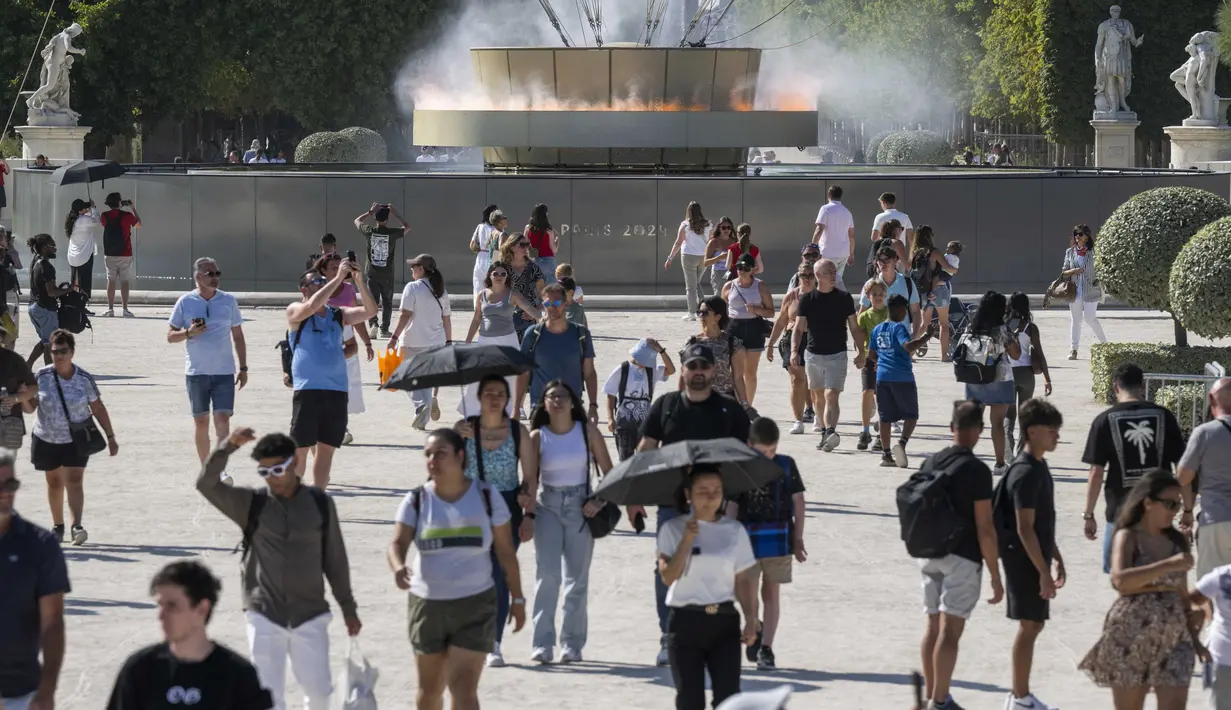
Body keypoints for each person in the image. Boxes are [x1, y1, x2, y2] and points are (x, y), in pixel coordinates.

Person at [196, 427, 360, 710]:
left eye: (278, 469)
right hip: (264, 615)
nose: (272, 479)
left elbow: (335, 559)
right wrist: (228, 446)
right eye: (264, 473)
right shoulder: (252, 504)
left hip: (310, 616)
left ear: (295, 462)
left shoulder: (320, 503)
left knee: (320, 694)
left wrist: (348, 607)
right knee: (268, 698)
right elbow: (206, 484)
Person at [633, 343, 753, 666]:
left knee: (717, 568)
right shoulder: (667, 406)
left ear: (714, 371)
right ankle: (668, 635)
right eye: (692, 366)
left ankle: (713, 635)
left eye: (704, 366)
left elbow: (745, 457)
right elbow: (645, 450)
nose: (698, 372)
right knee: (667, 570)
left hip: (718, 507)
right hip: (672, 505)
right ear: (683, 371)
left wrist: (734, 506)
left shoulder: (729, 410)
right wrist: (634, 497)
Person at [387, 428, 525, 709]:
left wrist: (518, 598)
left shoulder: (486, 497)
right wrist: (398, 566)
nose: (433, 460)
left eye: (440, 453)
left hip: (474, 604)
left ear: (460, 456)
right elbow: (397, 543)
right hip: (427, 605)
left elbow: (506, 552)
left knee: (463, 688)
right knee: (430, 691)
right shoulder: (417, 500)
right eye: (428, 454)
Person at [1079, 470, 1202, 710]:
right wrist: (1168, 566)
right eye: (1169, 504)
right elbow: (1121, 582)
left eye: (1178, 504)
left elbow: (1181, 593)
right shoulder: (1127, 536)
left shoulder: (1178, 541)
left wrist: (1196, 638)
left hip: (1174, 635)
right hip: (1131, 632)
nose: (1175, 510)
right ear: (1147, 502)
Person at [917, 401, 1004, 710]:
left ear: (951, 427)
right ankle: (940, 701)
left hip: (929, 553)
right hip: (963, 557)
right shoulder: (977, 471)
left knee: (932, 626)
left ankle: (932, 696)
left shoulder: (930, 463)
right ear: (979, 431)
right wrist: (995, 574)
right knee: (951, 632)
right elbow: (985, 526)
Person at [105, 561, 274, 710]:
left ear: (202, 609)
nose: (161, 616)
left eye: (172, 606)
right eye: (160, 606)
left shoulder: (237, 676)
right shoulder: (140, 669)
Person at [453, 376, 537, 668]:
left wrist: (530, 515)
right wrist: (453, 436)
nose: (494, 398)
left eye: (499, 394)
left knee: (500, 575)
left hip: (508, 509)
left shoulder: (517, 431)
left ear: (507, 399)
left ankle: (494, 642)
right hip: (470, 509)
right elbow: (448, 471)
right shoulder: (465, 429)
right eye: (488, 393)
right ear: (479, 396)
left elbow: (529, 477)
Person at [658, 466, 759, 709]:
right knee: (690, 699)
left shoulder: (734, 530)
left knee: (728, 698)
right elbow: (668, 577)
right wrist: (687, 540)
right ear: (688, 494)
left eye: (717, 490)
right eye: (703, 490)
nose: (711, 496)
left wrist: (751, 618)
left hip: (724, 622)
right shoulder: (672, 528)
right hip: (685, 622)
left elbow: (743, 579)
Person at [528, 381, 614, 663]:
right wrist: (527, 515)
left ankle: (572, 644)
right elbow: (530, 482)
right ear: (544, 403)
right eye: (551, 397)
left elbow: (610, 474)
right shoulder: (538, 437)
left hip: (580, 507)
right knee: (547, 576)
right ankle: (542, 644)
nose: (557, 402)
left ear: (572, 401)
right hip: (548, 507)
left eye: (562, 396)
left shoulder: (587, 432)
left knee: (576, 580)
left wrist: (599, 500)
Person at [992, 398, 1065, 710]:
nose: (1057, 437)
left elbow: (1041, 520)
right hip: (1023, 559)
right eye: (1052, 431)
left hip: (1035, 556)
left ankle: (1020, 695)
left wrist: (1057, 555)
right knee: (1029, 624)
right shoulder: (1025, 473)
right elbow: (1024, 528)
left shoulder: (1038, 466)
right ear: (1033, 431)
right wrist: (1043, 572)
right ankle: (1019, 698)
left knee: (1033, 623)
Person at [1083, 363, 1184, 574]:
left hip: (1120, 514)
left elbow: (1096, 473)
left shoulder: (1103, 421)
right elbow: (1182, 467)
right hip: (1159, 514)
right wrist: (1188, 509)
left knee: (1122, 577)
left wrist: (1089, 514)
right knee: (1161, 575)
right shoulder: (1164, 416)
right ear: (1142, 386)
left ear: (1116, 387)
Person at [286, 260, 376, 488]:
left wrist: (359, 282)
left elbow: (370, 311)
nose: (321, 284)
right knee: (301, 449)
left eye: (323, 281)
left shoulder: (339, 314)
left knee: (325, 451)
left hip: (336, 389)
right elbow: (309, 307)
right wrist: (337, 279)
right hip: (308, 389)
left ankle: (317, 498)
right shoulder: (296, 310)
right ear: (303, 289)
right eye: (316, 282)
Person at [27, 329, 118, 545]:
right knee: (55, 482)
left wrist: (111, 436)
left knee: (75, 480)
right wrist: (22, 398)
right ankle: (58, 526)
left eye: (63, 351)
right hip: (46, 437)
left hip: (76, 439)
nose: (58, 356)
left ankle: (76, 525)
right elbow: (30, 408)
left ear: (72, 352)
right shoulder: (41, 377)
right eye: (55, 351)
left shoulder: (84, 379)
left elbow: (97, 408)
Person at [731, 418, 806, 672]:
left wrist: (798, 538)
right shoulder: (740, 468)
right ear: (748, 445)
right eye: (762, 452)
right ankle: (755, 624)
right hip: (746, 541)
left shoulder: (786, 465)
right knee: (747, 591)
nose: (768, 457)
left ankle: (767, 648)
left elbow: (798, 501)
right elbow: (732, 504)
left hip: (778, 538)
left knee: (771, 591)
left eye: (772, 451)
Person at [0, 448, 70, 710]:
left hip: (22, 694)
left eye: (11, 483)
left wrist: (47, 690)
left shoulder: (41, 545)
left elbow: (53, 623)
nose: (5, 492)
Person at [168, 258, 248, 483]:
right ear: (198, 277)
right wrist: (188, 333)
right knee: (201, 422)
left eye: (217, 273)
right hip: (197, 372)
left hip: (224, 372)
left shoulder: (228, 301)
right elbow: (170, 336)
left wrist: (243, 368)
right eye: (210, 273)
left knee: (223, 421)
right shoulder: (185, 302)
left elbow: (238, 336)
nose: (215, 277)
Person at [792, 259, 865, 451]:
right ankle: (825, 432)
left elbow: (855, 327)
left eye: (834, 271)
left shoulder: (844, 298)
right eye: (829, 272)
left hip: (837, 354)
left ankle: (831, 431)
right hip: (813, 355)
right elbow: (798, 329)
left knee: (832, 394)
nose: (834, 275)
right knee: (818, 396)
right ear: (818, 276)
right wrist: (793, 351)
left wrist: (861, 352)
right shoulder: (807, 300)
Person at [462, 261, 539, 417]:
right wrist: (468, 341)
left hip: (508, 340)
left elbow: (529, 308)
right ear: (490, 275)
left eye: (503, 274)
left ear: (507, 277)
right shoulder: (482, 294)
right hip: (485, 340)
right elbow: (477, 319)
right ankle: (474, 410)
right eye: (495, 273)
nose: (499, 276)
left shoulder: (513, 294)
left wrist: (542, 318)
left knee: (513, 375)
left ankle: (514, 408)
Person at [516, 283, 598, 421]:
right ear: (543, 305)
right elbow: (523, 372)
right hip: (541, 408)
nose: (552, 308)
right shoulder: (533, 334)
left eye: (557, 303)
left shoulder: (581, 334)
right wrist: (516, 407)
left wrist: (593, 406)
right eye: (548, 304)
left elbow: (589, 372)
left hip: (572, 407)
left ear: (566, 304)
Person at [388, 254, 451, 430]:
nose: (411, 270)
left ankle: (419, 405)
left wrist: (393, 338)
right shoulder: (441, 291)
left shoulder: (412, 287)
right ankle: (422, 417)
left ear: (421, 269)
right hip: (436, 342)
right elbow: (446, 320)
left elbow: (405, 315)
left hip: (412, 340)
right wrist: (449, 341)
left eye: (414, 266)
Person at [870, 294, 934, 468]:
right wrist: (927, 337)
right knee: (912, 415)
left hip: (882, 377)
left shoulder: (877, 329)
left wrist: (881, 362)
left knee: (884, 417)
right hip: (902, 378)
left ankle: (886, 455)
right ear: (899, 309)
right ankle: (902, 443)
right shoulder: (899, 328)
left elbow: (871, 355)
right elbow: (908, 347)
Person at [961, 291, 1022, 476]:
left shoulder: (971, 326)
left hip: (975, 378)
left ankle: (966, 459)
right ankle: (999, 464)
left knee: (972, 422)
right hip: (999, 379)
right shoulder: (1002, 329)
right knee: (997, 423)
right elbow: (1016, 354)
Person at [317, 253, 373, 446]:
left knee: (343, 394)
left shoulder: (348, 289)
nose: (336, 270)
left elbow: (358, 318)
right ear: (322, 270)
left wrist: (367, 342)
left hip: (344, 343)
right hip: (319, 350)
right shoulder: (316, 288)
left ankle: (339, 427)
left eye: (338, 267)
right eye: (332, 267)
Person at [1178, 377, 1231, 577]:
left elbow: (1183, 477)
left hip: (1215, 519)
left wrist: (1187, 509)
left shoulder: (1205, 433)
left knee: (1210, 586)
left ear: (1211, 399)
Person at [604, 338, 674, 461]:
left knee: (646, 460)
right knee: (626, 460)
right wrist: (610, 418)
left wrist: (661, 350)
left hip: (645, 423)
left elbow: (671, 370)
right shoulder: (623, 369)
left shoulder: (651, 371)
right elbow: (610, 394)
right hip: (625, 422)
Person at [767, 265, 815, 435]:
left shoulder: (822, 295)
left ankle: (817, 413)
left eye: (810, 275)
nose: (807, 278)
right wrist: (771, 344)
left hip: (815, 340)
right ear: (798, 276)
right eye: (803, 275)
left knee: (815, 381)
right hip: (791, 340)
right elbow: (781, 321)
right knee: (797, 380)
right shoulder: (792, 296)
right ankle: (798, 420)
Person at [1004, 293, 1054, 455]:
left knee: (1009, 414)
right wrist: (1047, 379)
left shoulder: (1003, 326)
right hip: (1026, 374)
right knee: (1025, 415)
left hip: (1007, 374)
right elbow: (1040, 353)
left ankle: (1006, 442)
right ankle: (1020, 453)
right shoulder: (1030, 328)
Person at [722, 254, 774, 407]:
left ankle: (748, 406)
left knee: (750, 373)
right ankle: (738, 405)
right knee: (736, 372)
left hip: (753, 327)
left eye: (745, 268)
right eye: (739, 268)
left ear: (752, 269)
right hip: (734, 328)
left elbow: (771, 312)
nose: (742, 271)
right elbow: (721, 311)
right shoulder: (729, 286)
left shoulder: (760, 286)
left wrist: (756, 310)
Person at [683, 296, 751, 410]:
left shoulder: (731, 343)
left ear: (718, 317)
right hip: (698, 399)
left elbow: (738, 377)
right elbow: (684, 375)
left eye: (705, 313)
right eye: (699, 312)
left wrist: (744, 404)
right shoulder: (692, 342)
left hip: (724, 400)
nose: (701, 316)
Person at [354, 203, 410, 337]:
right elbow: (408, 227)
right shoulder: (393, 233)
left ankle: (373, 323)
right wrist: (395, 213)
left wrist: (370, 211)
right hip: (387, 274)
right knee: (387, 302)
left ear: (375, 219)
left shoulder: (369, 231)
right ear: (387, 219)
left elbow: (356, 221)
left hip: (372, 273)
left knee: (372, 300)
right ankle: (384, 329)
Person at [25, 234, 71, 369]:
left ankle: (27, 366)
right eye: (53, 246)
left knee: (45, 341)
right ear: (45, 248)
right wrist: (69, 290)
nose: (55, 249)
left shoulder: (35, 261)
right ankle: (49, 374)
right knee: (50, 344)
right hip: (45, 309)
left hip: (34, 307)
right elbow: (52, 292)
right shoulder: (47, 267)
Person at [912, 227, 959, 359]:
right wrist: (955, 270)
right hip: (940, 290)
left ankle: (910, 354)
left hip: (923, 292)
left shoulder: (915, 252)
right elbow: (948, 267)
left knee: (922, 325)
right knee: (943, 324)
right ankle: (944, 355)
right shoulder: (935, 252)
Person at [1061, 224, 1107, 360]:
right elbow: (1064, 271)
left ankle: (1105, 345)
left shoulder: (1094, 252)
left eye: (1081, 234)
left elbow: (1102, 268)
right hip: (1074, 290)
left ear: (1087, 237)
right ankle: (1074, 349)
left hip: (1091, 290)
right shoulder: (1070, 252)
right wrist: (1074, 271)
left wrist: (1100, 281)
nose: (1077, 237)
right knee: (1075, 320)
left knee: (1090, 318)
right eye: (1076, 234)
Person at [1193, 559, 1231, 709]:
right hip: (1219, 659)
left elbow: (1189, 600)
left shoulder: (1222, 574)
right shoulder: (1221, 575)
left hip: (1218, 656)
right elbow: (1189, 601)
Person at [666, 202, 714, 320]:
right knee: (696, 283)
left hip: (688, 256)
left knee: (691, 286)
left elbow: (678, 242)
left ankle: (692, 313)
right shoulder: (708, 225)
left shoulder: (685, 225)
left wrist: (670, 258)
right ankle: (705, 309)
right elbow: (711, 241)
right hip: (703, 257)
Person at [856, 281, 888, 452]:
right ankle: (865, 431)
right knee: (867, 391)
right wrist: (861, 355)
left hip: (887, 360)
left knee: (882, 396)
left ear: (886, 295)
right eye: (874, 294)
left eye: (881, 293)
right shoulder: (864, 316)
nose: (877, 296)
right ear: (868, 297)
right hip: (870, 358)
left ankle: (881, 435)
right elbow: (859, 340)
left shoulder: (889, 314)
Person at [99, 192, 142, 318]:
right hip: (125, 253)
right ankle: (125, 309)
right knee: (124, 281)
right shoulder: (127, 215)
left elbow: (105, 224)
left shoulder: (104, 216)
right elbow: (139, 224)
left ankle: (110, 309)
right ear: (120, 202)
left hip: (110, 254)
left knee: (110, 281)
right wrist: (133, 208)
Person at [860, 246, 922, 332]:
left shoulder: (907, 282)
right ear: (876, 262)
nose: (883, 264)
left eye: (887, 260)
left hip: (902, 337)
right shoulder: (871, 284)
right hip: (878, 337)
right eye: (880, 260)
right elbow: (862, 311)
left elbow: (915, 311)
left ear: (895, 260)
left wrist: (915, 334)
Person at [501, 232, 546, 342]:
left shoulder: (534, 268)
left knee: (527, 353)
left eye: (527, 244)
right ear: (512, 247)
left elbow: (544, 295)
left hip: (528, 318)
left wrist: (536, 311)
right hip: (506, 318)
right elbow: (494, 292)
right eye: (522, 245)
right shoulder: (502, 268)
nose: (526, 247)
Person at [811, 185, 855, 292]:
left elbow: (819, 229)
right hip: (843, 253)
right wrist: (851, 254)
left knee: (824, 281)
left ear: (828, 195)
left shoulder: (825, 209)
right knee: (837, 280)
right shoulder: (847, 212)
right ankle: (839, 301)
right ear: (840, 196)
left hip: (827, 252)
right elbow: (851, 236)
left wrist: (813, 246)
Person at [0, 327, 37, 452]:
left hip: (9, 428)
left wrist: (16, 398)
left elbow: (33, 387)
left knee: (5, 469)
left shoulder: (14, 360)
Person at [64, 198, 99, 299]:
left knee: (75, 281)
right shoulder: (84, 220)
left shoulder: (72, 219)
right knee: (85, 281)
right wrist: (93, 209)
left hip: (73, 256)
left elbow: (87, 219)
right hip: (84, 256)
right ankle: (83, 304)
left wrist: (89, 209)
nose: (86, 209)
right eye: (84, 208)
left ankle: (74, 302)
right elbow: (97, 221)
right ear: (80, 210)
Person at [871, 192, 915, 261]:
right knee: (901, 272)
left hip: (884, 254)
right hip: (900, 255)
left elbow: (874, 238)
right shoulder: (905, 217)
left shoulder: (879, 217)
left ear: (883, 203)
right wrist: (911, 255)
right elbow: (911, 238)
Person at [470, 205, 502, 294]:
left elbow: (472, 245)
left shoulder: (480, 227)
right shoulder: (498, 229)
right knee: (493, 283)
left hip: (481, 256)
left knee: (478, 283)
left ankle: (477, 305)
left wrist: (480, 250)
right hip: (494, 255)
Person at [525, 204, 559, 285]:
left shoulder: (528, 228)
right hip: (549, 260)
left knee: (535, 288)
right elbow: (554, 250)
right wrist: (557, 240)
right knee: (550, 290)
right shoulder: (549, 230)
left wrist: (531, 248)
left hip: (535, 260)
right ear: (546, 214)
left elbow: (525, 244)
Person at [0, 228, 22, 351]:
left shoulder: (8, 254)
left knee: (9, 336)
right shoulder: (6, 254)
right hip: (4, 304)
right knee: (9, 336)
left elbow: (18, 265)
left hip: (6, 299)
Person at [704, 217, 737, 295]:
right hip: (718, 273)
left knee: (732, 297)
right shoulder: (713, 242)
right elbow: (706, 263)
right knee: (720, 298)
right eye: (723, 227)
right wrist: (720, 257)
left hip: (732, 272)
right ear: (719, 228)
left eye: (728, 227)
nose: (726, 230)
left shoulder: (734, 241)